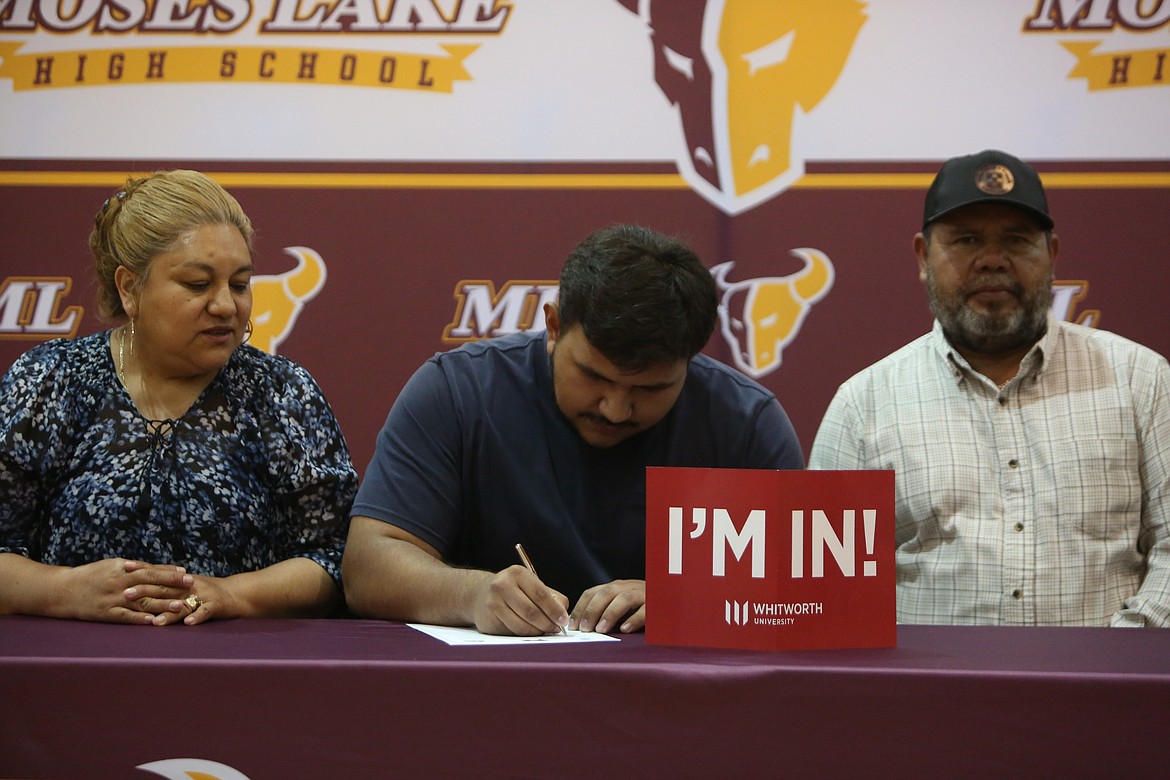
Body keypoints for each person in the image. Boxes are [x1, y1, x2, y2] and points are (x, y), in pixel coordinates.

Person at [343, 224, 804, 635]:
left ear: (692, 358)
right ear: (553, 325)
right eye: (595, 377)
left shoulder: (747, 424)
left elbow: (805, 593)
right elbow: (367, 566)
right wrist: (470, 595)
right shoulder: (459, 393)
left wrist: (689, 599)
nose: (616, 409)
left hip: (684, 702)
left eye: (651, 389)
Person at [809, 149, 1170, 627]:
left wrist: (1113, 664)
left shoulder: (1139, 380)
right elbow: (825, 585)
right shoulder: (863, 405)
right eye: (966, 240)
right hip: (925, 698)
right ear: (922, 256)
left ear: (1052, 255)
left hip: (1108, 693)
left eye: (1017, 241)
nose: (992, 261)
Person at [0, 170, 357, 626]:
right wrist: (58, 591)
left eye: (240, 284)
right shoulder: (51, 380)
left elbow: (335, 558)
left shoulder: (282, 393)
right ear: (130, 288)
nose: (226, 305)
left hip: (242, 672)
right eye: (196, 284)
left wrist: (233, 594)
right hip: (73, 671)